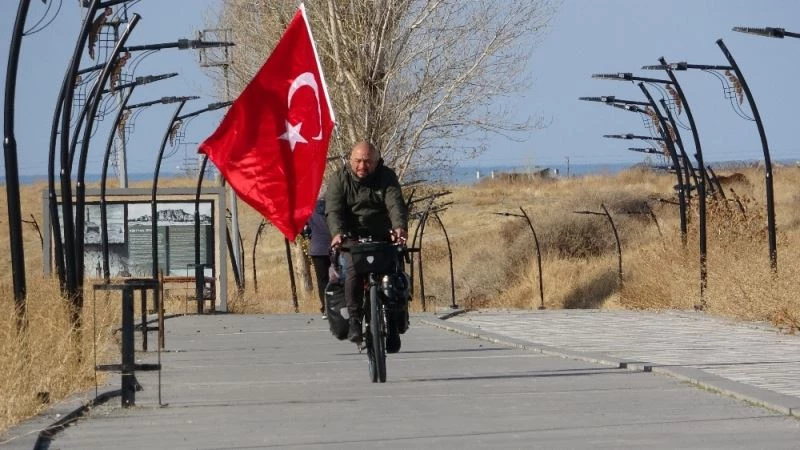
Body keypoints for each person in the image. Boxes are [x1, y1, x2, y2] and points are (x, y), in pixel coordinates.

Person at [326, 141, 408, 352]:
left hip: (382, 235)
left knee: (394, 275)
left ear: (377, 162)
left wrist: (399, 227)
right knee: (352, 270)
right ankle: (354, 321)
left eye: (368, 162)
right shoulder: (339, 178)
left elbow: (395, 203)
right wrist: (337, 234)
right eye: (358, 161)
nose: (363, 166)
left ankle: (392, 324)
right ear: (350, 160)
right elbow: (333, 210)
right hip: (351, 237)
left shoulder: (386, 176)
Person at [302, 193, 332, 318]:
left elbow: (304, 229)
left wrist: (308, 235)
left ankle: (326, 307)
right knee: (339, 278)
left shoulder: (310, 211)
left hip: (317, 249)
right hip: (335, 247)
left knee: (322, 280)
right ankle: (339, 304)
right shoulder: (334, 209)